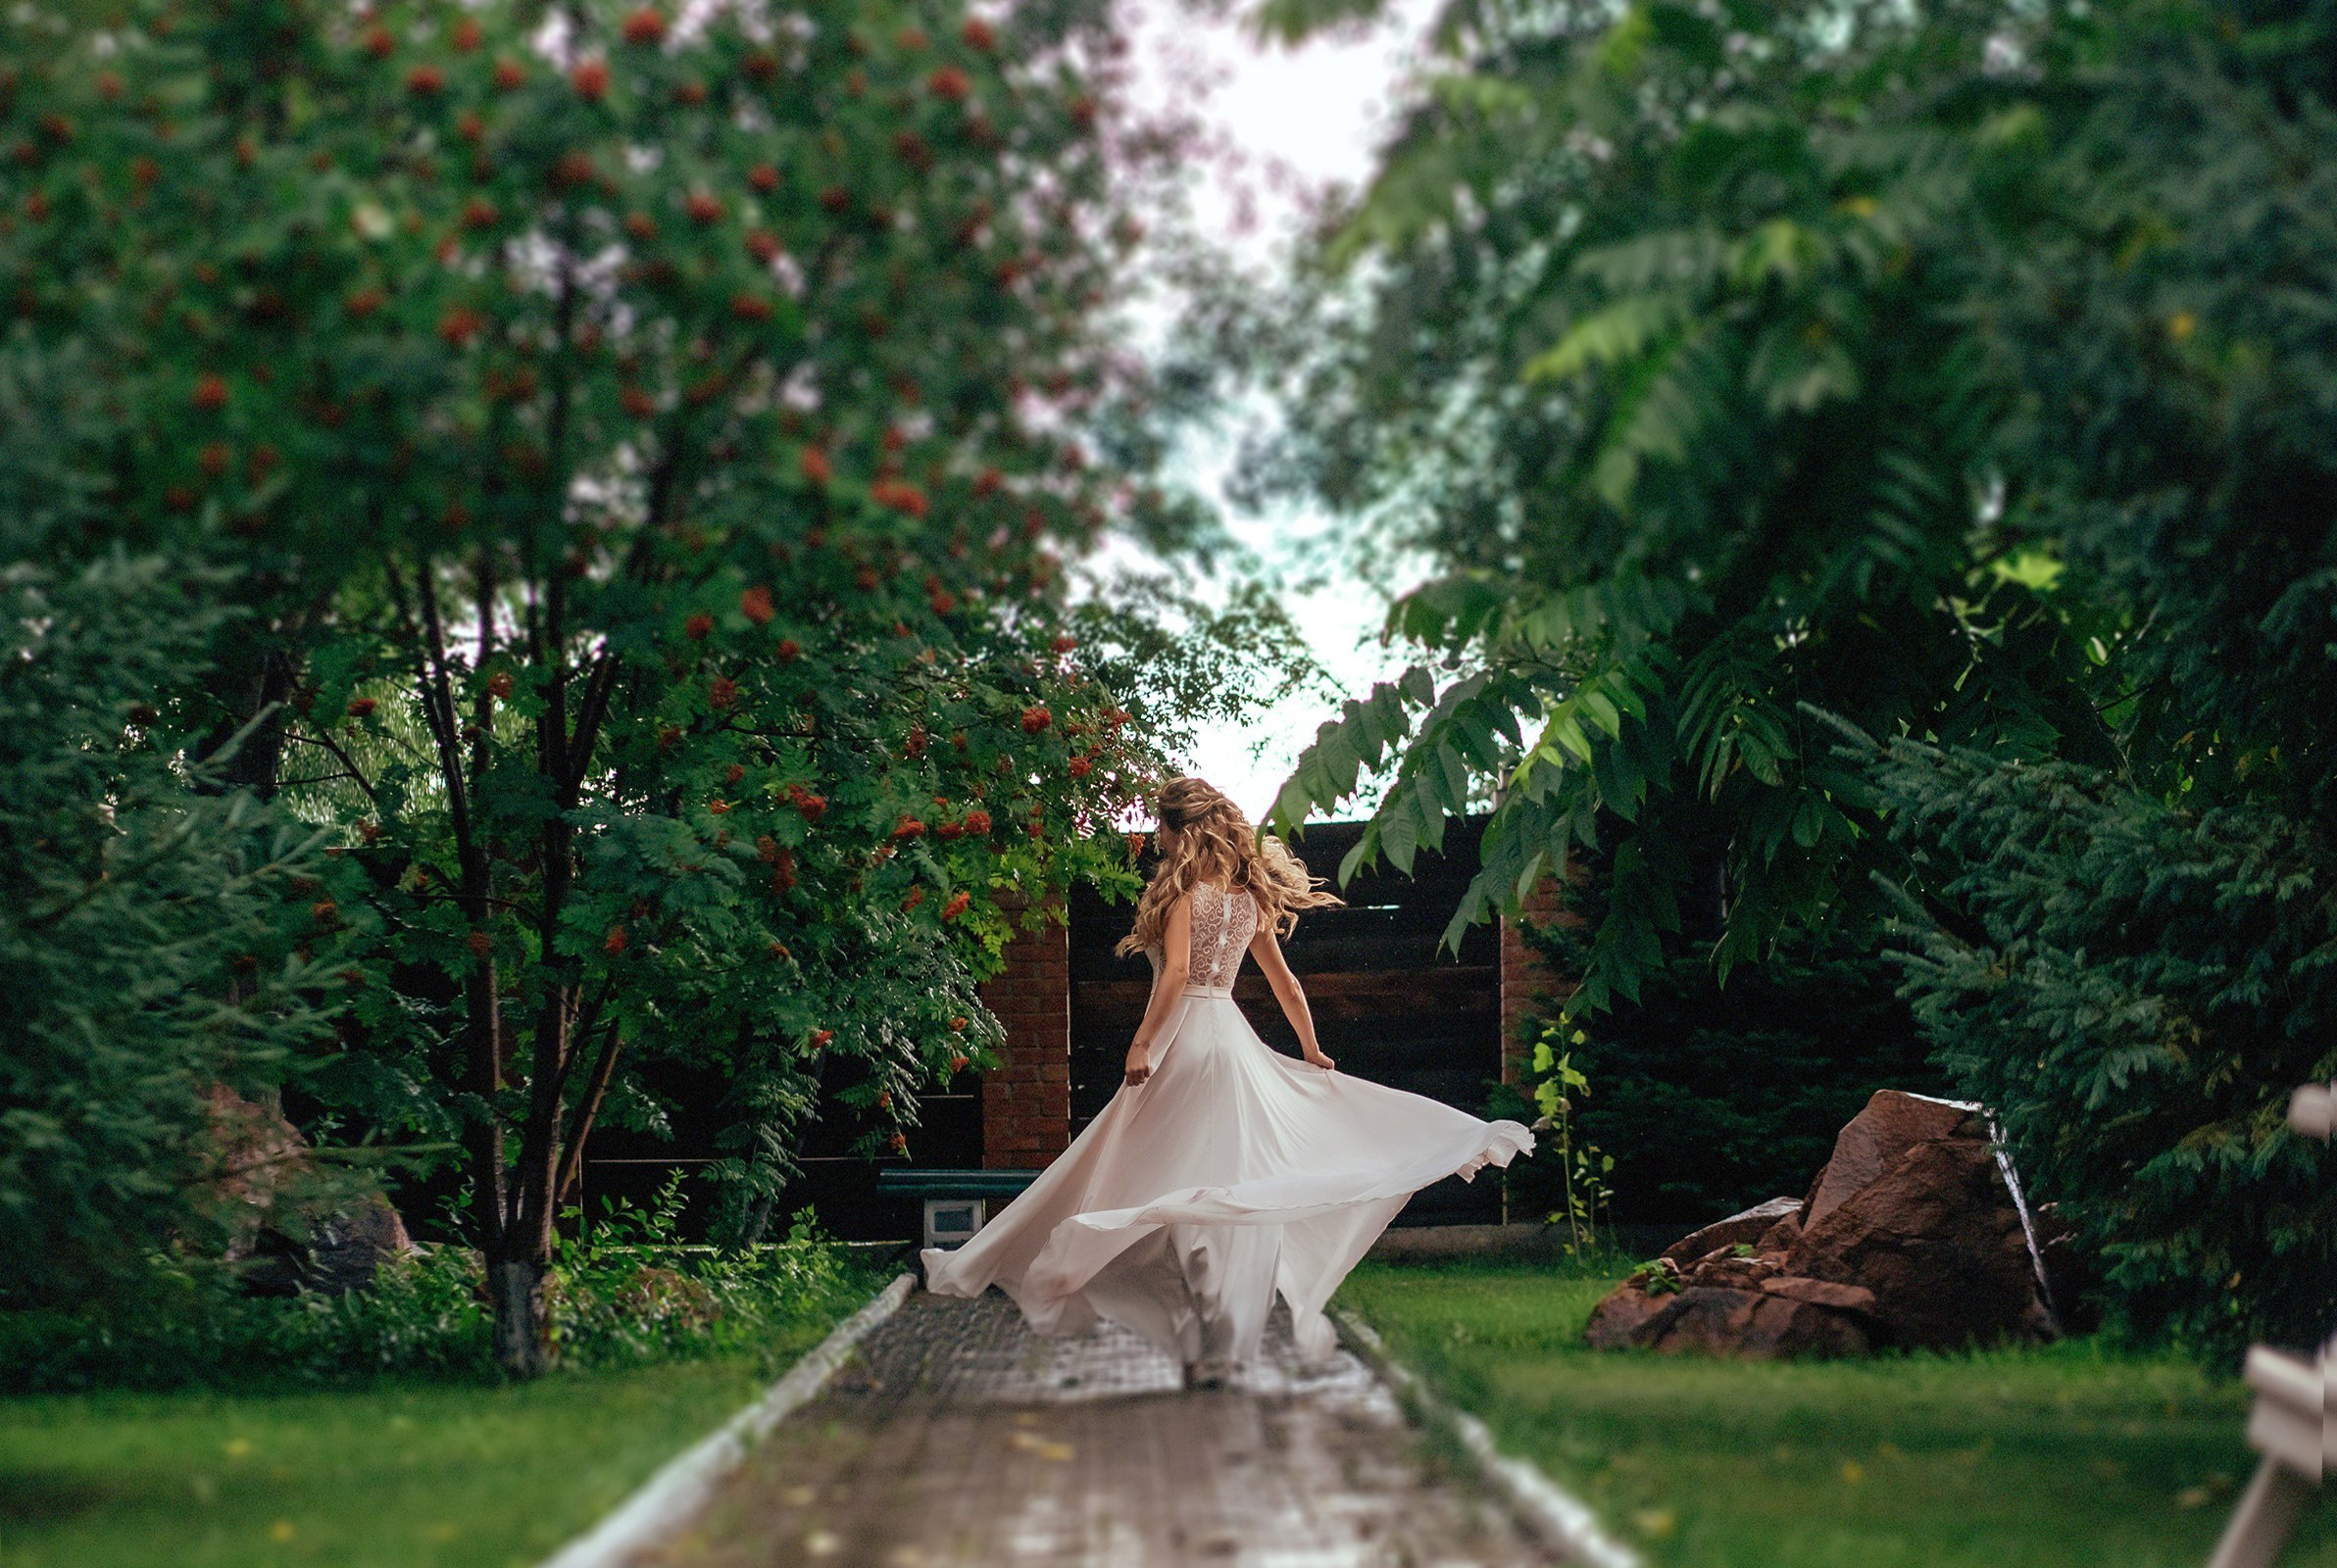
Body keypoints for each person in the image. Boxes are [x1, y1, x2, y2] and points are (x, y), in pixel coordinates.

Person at [921, 777, 1533, 1388]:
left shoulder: (1185, 894)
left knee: (1136, 1175)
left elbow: (1178, 974)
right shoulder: (1249, 901)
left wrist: (1142, 1042)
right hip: (1233, 1045)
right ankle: (1220, 1341)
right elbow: (1286, 984)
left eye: (1160, 828)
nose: (1156, 840)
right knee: (1218, 1188)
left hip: (1184, 1044)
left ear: (1180, 830)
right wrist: (1311, 1049)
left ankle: (1161, 1315)